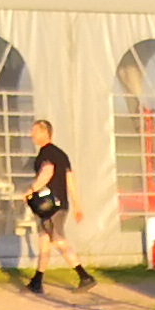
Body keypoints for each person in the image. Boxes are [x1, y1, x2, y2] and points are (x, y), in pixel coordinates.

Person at [21, 117, 94, 293]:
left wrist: (31, 190)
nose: (31, 135)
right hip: (59, 205)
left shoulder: (46, 154)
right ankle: (37, 281)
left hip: (50, 205)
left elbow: (47, 172)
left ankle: (84, 276)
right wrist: (77, 205)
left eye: (34, 131)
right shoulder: (61, 154)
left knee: (58, 240)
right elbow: (70, 179)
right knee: (44, 241)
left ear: (45, 132)